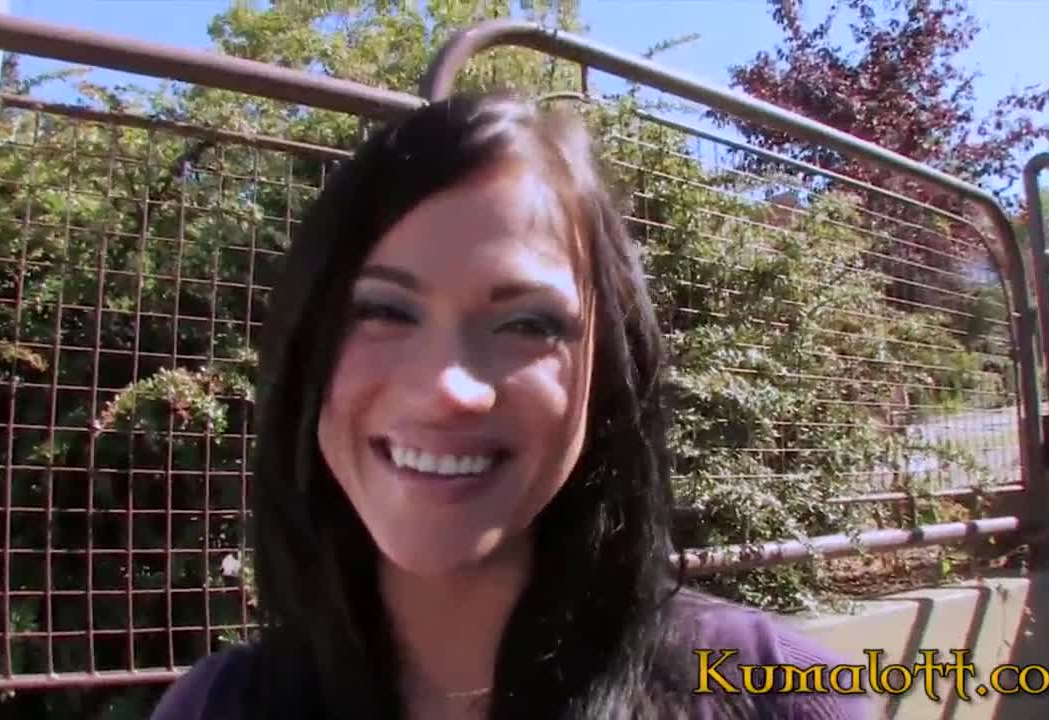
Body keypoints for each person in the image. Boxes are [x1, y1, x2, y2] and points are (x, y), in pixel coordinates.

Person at [149, 92, 873, 720]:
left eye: (527, 323)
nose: (448, 389)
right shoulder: (215, 707)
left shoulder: (780, 692)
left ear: (609, 373)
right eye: (382, 310)